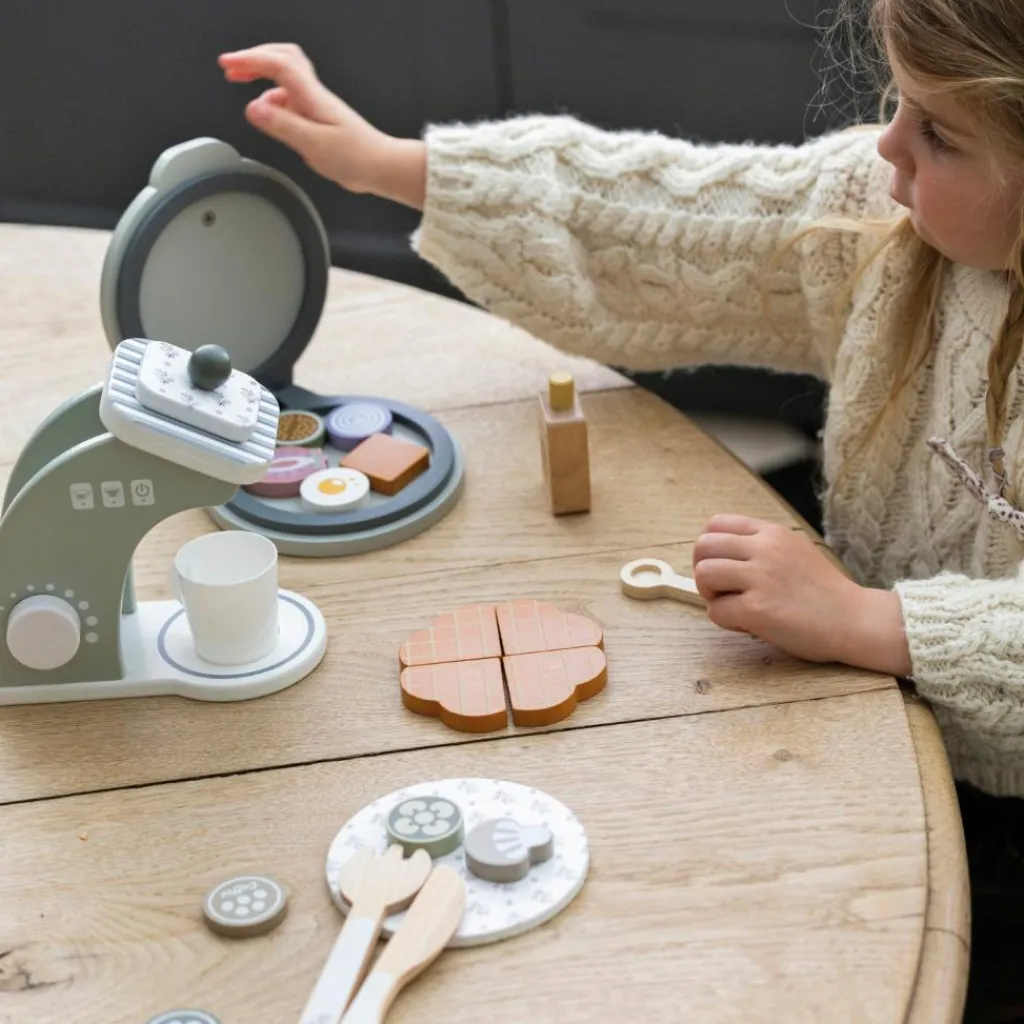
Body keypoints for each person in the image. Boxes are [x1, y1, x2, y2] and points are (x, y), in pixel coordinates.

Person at [218, 3, 1024, 1013]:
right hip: (863, 707)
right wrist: (391, 165)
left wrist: (872, 621)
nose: (886, 146)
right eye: (896, 104)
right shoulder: (886, 216)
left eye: (936, 132)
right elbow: (668, 222)